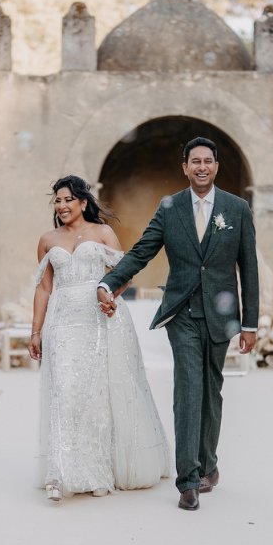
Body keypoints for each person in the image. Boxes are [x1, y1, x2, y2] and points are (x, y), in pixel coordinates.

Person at [97, 136, 260, 512]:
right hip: (182, 312)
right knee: (188, 389)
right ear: (184, 168)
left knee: (211, 391)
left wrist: (249, 323)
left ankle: (209, 465)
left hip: (221, 316)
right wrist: (110, 282)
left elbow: (248, 269)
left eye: (208, 161)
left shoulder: (237, 209)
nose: (201, 167)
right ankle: (188, 480)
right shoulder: (169, 208)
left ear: (215, 167)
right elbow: (142, 250)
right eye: (194, 161)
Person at [31, 174, 171, 501]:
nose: (62, 205)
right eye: (57, 200)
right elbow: (44, 287)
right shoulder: (47, 240)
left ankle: (96, 471)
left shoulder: (103, 232)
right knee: (64, 391)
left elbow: (120, 275)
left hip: (99, 320)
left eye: (68, 199)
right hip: (63, 322)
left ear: (83, 202)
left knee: (96, 395)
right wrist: (35, 331)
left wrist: (109, 297)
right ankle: (58, 473)